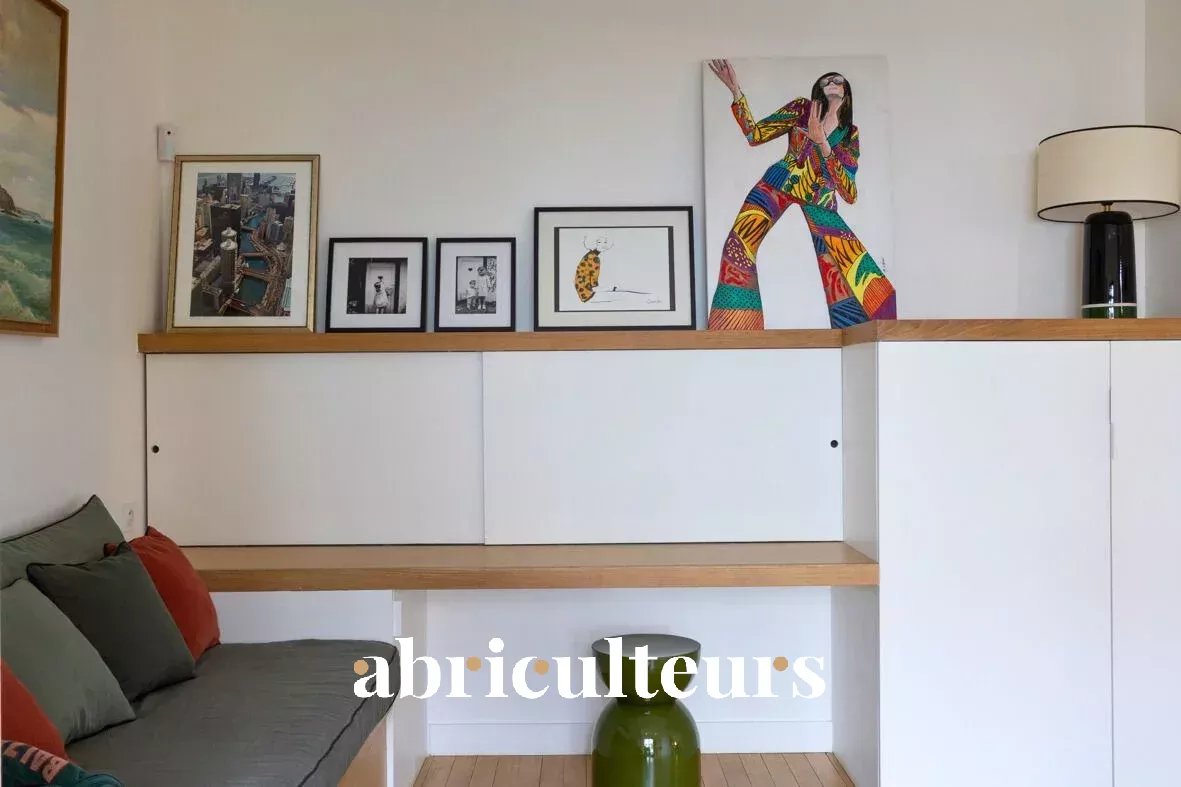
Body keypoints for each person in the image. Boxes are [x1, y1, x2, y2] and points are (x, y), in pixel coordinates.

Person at [706, 60, 897, 330]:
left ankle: (857, 333)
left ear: (846, 91)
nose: (831, 83)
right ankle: (735, 329)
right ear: (818, 89)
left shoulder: (849, 134)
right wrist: (736, 91)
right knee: (737, 245)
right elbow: (755, 134)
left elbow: (849, 192)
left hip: (819, 198)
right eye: (826, 81)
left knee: (841, 266)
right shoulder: (801, 109)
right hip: (777, 184)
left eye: (837, 80)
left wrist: (823, 143)